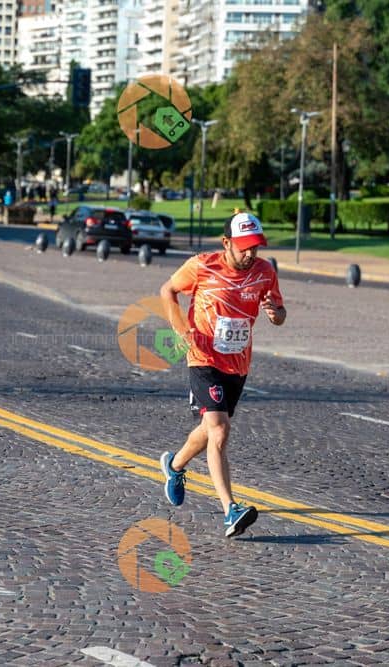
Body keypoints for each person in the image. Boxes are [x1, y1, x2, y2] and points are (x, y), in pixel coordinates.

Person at [158, 212, 286, 538]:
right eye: (244, 247)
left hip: (238, 364)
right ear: (226, 242)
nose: (250, 253)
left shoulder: (264, 272)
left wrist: (276, 314)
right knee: (219, 429)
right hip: (203, 358)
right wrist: (182, 330)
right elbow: (167, 291)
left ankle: (174, 465)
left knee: (209, 429)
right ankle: (231, 510)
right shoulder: (202, 266)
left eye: (255, 246)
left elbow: (279, 313)